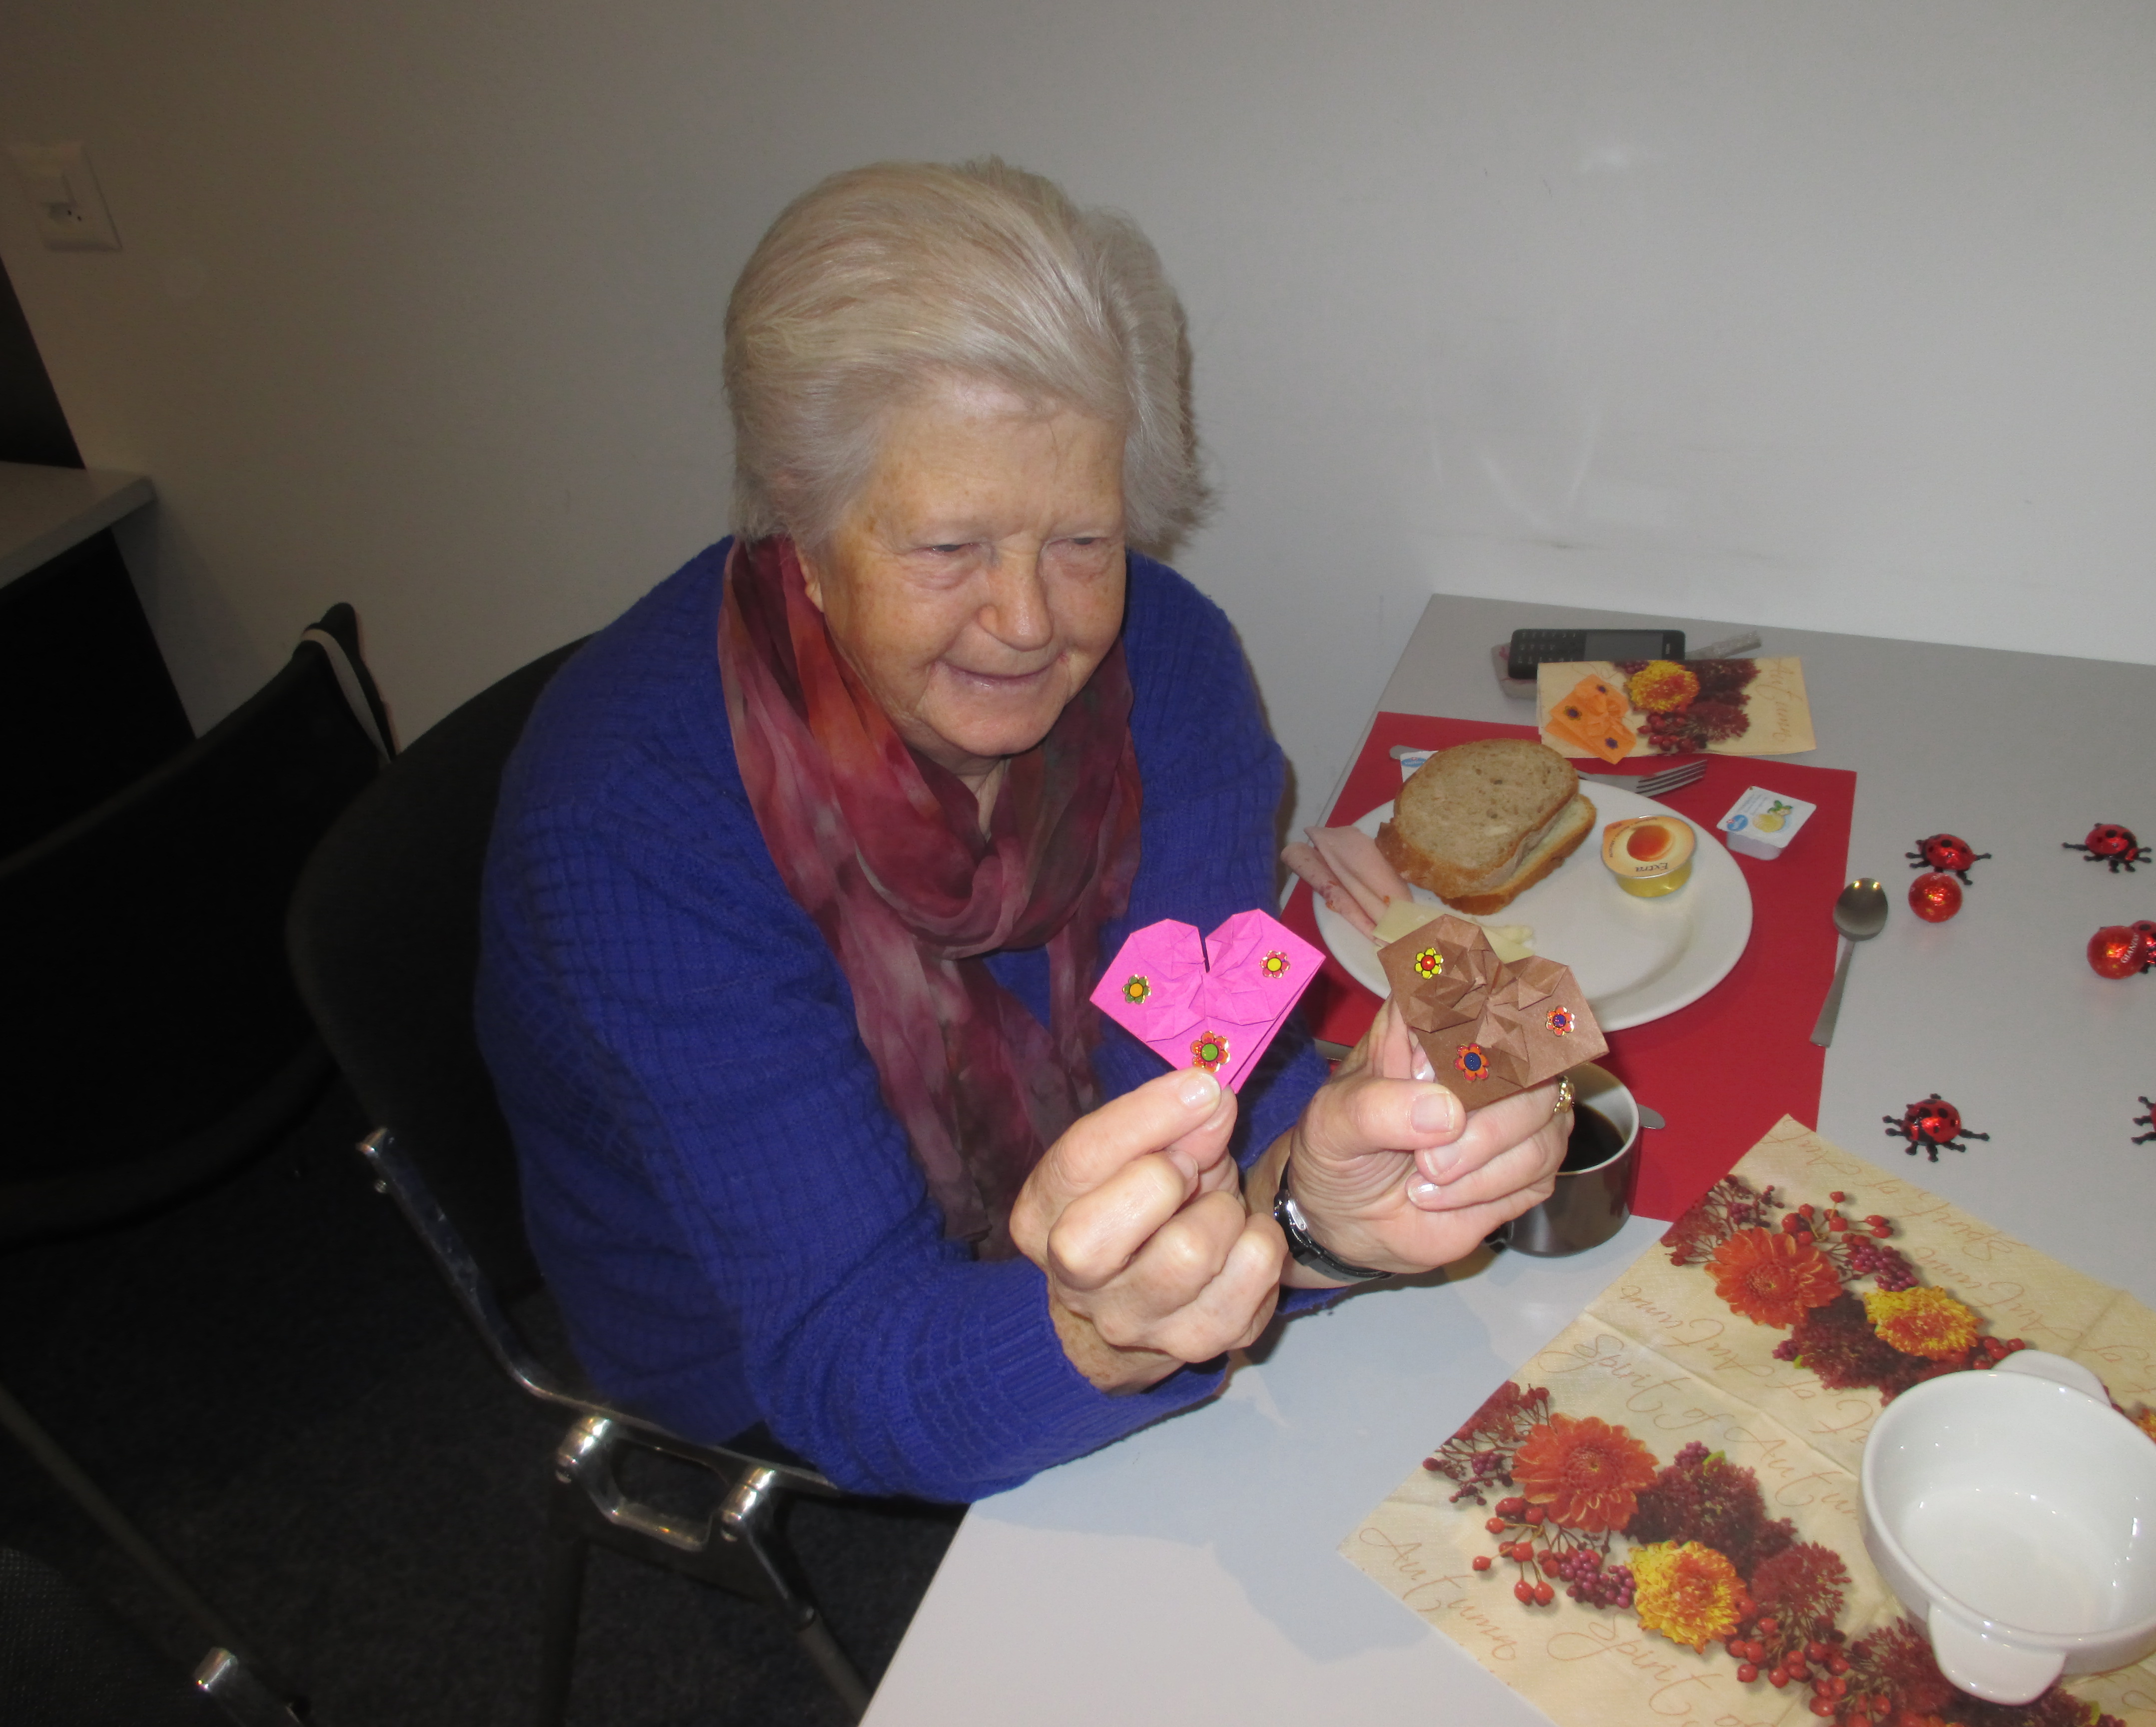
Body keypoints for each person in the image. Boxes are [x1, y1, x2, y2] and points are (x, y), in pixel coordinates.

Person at [476, 159, 1571, 1503]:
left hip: (1068, 1250)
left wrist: (1321, 1199)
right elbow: (843, 1362)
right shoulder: (636, 825)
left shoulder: (1170, 668)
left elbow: (1194, 1067)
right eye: (949, 549)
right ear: (800, 524)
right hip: (761, 1339)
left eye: (1083, 541)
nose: (1030, 622)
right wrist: (1102, 1334)